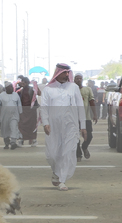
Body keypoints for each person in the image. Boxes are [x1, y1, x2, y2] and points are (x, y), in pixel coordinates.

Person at [40, 63, 86, 191]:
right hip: (53, 127)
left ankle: (62, 180)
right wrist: (45, 123)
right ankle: (56, 171)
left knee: (68, 152)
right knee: (52, 154)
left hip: (71, 126)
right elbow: (43, 108)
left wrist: (83, 126)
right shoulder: (48, 89)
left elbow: (80, 107)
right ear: (58, 73)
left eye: (68, 72)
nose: (67, 75)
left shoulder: (74, 87)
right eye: (64, 72)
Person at [74, 74, 97, 161]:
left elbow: (91, 102)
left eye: (80, 78)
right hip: (74, 118)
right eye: (77, 78)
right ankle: (78, 154)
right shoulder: (71, 90)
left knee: (89, 136)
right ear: (74, 80)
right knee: (75, 137)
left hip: (86, 117)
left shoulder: (87, 89)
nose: (79, 80)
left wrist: (95, 114)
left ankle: (84, 147)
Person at [0, 81, 22, 149]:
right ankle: (6, 143)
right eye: (9, 87)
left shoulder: (16, 95)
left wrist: (21, 113)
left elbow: (19, 105)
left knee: (14, 127)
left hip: (14, 115)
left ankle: (13, 142)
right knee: (5, 129)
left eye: (12, 87)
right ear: (6, 88)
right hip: (4, 116)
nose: (11, 88)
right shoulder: (2, 95)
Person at [17, 76, 39, 147]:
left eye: (25, 82)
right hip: (23, 110)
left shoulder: (32, 89)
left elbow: (37, 96)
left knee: (32, 125)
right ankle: (21, 140)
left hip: (31, 110)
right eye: (23, 82)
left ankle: (33, 140)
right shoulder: (20, 90)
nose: (24, 83)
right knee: (22, 125)